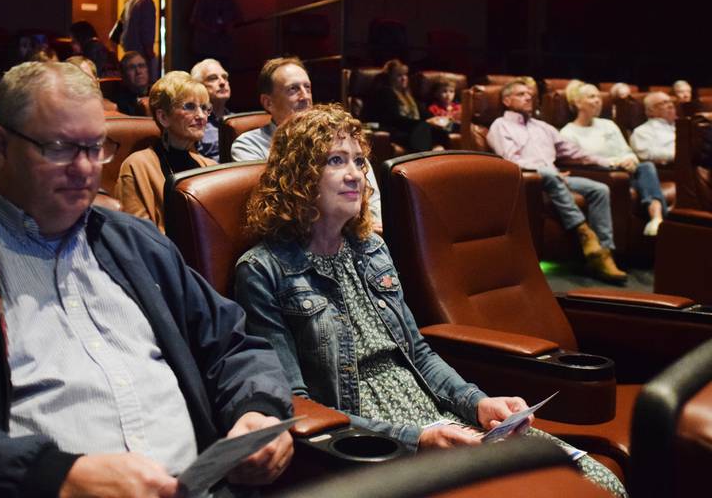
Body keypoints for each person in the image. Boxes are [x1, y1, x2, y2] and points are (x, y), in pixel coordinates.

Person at [0, 61, 294, 497]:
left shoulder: (136, 242)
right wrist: (57, 477)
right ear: (0, 146)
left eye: (95, 147)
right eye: (60, 147)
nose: (85, 168)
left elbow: (232, 343)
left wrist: (257, 409)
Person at [234, 104, 626, 498]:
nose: (355, 174)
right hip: (372, 444)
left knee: (595, 480)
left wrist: (476, 402)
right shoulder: (263, 270)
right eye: (336, 161)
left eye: (358, 160)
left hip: (437, 414)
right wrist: (415, 438)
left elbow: (418, 353)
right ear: (298, 175)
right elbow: (296, 402)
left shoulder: (371, 249)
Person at [487, 80, 627, 283]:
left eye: (529, 94)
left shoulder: (543, 127)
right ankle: (584, 232)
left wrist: (609, 162)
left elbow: (574, 152)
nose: (528, 97)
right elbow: (511, 161)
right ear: (507, 101)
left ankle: (604, 253)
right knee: (551, 175)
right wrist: (542, 171)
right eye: (521, 94)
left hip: (555, 178)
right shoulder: (500, 126)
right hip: (528, 182)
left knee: (600, 189)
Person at [230, 56, 383, 226]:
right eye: (293, 89)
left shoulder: (338, 138)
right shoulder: (248, 145)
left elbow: (373, 203)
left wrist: (368, 228)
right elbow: (273, 203)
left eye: (307, 88)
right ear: (268, 102)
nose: (305, 97)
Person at [561, 82, 667, 236]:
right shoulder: (568, 132)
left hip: (625, 171)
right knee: (639, 177)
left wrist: (631, 159)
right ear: (578, 102)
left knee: (646, 167)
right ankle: (663, 226)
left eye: (599, 96)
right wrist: (615, 163)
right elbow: (581, 161)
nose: (598, 100)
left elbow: (626, 151)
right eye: (592, 97)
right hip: (600, 175)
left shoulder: (608, 125)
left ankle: (657, 219)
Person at [115, 71, 216, 232]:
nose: (201, 116)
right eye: (189, 107)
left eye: (205, 108)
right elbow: (137, 238)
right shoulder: (137, 166)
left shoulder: (210, 166)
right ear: (163, 117)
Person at [362, 59, 433, 152]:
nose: (404, 78)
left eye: (405, 75)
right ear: (390, 77)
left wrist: (436, 120)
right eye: (399, 75)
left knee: (435, 130)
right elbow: (394, 119)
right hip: (387, 128)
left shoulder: (408, 96)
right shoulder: (386, 92)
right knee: (425, 133)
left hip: (404, 129)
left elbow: (424, 113)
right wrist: (420, 124)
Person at [190, 0, 242, 68]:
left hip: (223, 48)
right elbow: (194, 20)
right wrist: (211, 29)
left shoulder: (230, 2)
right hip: (205, 48)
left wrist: (231, 26)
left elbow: (238, 18)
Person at [191, 58, 233, 161]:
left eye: (225, 77)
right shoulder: (194, 124)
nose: (222, 82)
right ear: (198, 87)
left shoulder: (238, 121)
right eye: (213, 78)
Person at [121, 0, 157, 82]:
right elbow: (147, 29)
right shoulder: (147, 3)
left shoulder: (132, 0)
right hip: (140, 48)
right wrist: (149, 51)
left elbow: (122, 19)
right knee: (143, 77)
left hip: (128, 46)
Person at [629, 91, 677, 163]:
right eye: (664, 103)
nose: (670, 105)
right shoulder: (642, 131)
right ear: (650, 110)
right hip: (671, 167)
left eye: (670, 102)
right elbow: (646, 154)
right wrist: (680, 154)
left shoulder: (681, 127)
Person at [107, 50, 150, 115]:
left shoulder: (158, 92)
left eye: (141, 66)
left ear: (147, 69)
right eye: (132, 68)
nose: (138, 72)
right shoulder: (115, 99)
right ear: (122, 74)